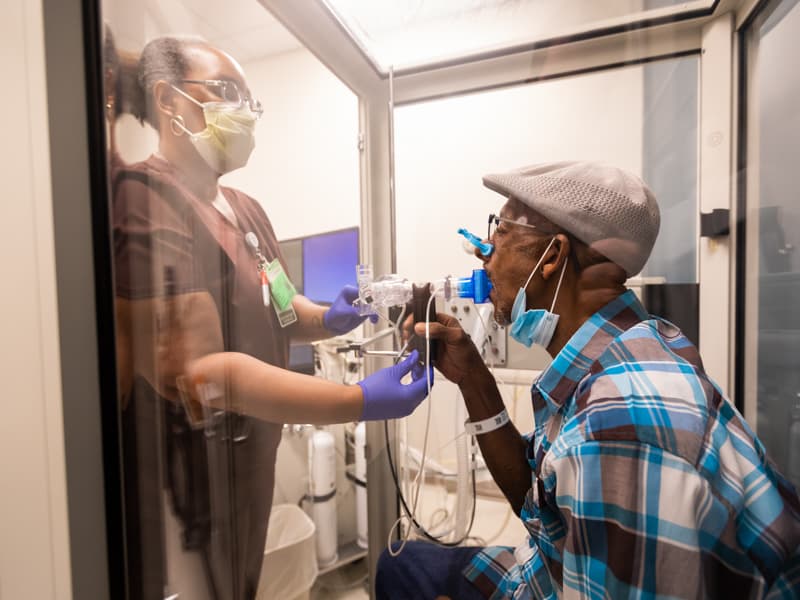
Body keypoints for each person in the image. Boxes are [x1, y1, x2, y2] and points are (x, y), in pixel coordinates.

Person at [376, 161, 800, 599]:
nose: (484, 251)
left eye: (499, 231)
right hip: (550, 566)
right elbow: (543, 505)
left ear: (553, 256)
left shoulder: (619, 422)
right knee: (401, 565)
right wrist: (473, 381)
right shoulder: (632, 345)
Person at [112, 36, 430, 600]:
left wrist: (329, 318)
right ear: (168, 101)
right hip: (188, 473)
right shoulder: (142, 198)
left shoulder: (245, 210)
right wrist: (356, 401)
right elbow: (203, 370)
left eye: (250, 103)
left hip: (249, 461)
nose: (244, 112)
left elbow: (285, 307)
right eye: (228, 92)